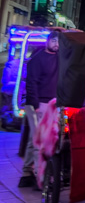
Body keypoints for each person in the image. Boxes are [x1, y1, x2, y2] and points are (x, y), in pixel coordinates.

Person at [19, 30, 60, 188]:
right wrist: (35, 105)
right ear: (47, 41)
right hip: (37, 104)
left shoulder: (60, 58)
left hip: (51, 103)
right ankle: (40, 177)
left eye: (59, 42)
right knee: (41, 140)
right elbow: (31, 83)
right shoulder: (37, 59)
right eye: (54, 41)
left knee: (34, 139)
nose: (56, 44)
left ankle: (26, 173)